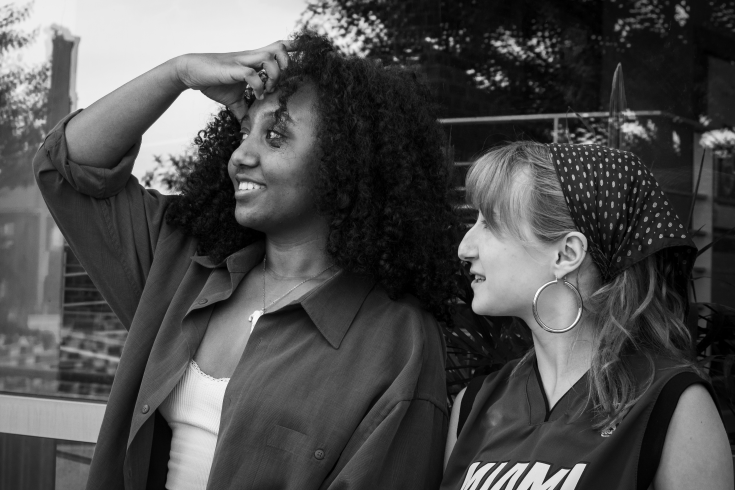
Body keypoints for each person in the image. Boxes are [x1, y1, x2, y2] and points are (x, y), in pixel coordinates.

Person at [34, 31, 459, 490]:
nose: (240, 156)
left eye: (275, 136)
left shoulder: (397, 341)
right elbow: (70, 167)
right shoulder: (183, 265)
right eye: (243, 131)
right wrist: (179, 73)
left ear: (347, 160)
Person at [442, 142, 733, 490]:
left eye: (489, 222)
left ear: (567, 253)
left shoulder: (672, 406)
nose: (465, 248)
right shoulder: (474, 405)